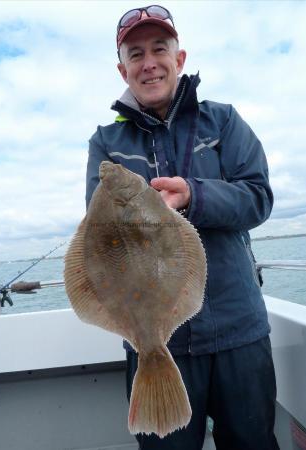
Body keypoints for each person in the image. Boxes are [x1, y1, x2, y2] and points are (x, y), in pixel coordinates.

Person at [86, 5, 279, 450]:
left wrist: (194, 195)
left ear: (181, 57)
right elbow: (98, 235)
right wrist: (146, 214)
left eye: (159, 48)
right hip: (155, 342)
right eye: (136, 54)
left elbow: (258, 197)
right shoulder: (106, 142)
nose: (149, 62)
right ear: (123, 69)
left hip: (238, 328)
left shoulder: (223, 121)